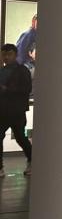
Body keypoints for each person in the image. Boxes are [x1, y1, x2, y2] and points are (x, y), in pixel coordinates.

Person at [0, 44, 33, 177]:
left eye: (9, 54)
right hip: (3, 110)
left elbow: (26, 89)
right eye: (4, 54)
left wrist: (7, 90)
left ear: (15, 55)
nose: (6, 57)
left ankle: (32, 160)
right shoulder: (2, 71)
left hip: (16, 111)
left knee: (20, 137)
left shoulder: (22, 71)